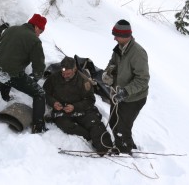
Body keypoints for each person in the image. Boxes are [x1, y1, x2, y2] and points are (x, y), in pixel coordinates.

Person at [0, 13, 48, 134]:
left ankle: (4, 97)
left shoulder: (10, 29)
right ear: (36, 27)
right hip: (8, 73)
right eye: (40, 31)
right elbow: (39, 65)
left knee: (11, 71)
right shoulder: (35, 41)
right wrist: (36, 78)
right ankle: (38, 127)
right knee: (39, 94)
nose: (39, 34)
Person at [43, 56, 113, 154]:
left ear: (74, 69)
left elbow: (90, 100)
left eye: (68, 73)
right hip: (62, 110)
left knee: (94, 123)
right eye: (63, 73)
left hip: (81, 109)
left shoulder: (83, 81)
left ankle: (105, 147)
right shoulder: (54, 78)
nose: (65, 76)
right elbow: (44, 93)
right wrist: (53, 102)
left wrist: (75, 107)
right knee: (67, 126)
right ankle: (89, 136)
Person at [102, 19, 150, 154]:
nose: (114, 38)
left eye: (116, 35)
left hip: (133, 98)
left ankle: (124, 152)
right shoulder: (119, 48)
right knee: (113, 122)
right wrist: (108, 73)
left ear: (125, 35)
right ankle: (127, 144)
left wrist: (125, 92)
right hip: (117, 94)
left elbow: (143, 80)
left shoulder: (138, 53)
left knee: (122, 127)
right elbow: (112, 63)